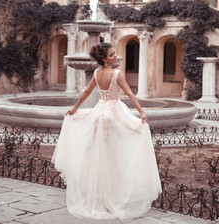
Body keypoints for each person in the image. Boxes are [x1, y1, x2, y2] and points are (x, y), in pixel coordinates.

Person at [51, 42, 162, 220]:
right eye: (112, 55)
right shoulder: (117, 73)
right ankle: (112, 196)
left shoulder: (96, 72)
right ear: (104, 59)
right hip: (114, 114)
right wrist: (141, 112)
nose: (115, 56)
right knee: (115, 154)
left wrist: (74, 109)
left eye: (114, 53)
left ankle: (99, 196)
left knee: (100, 155)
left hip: (99, 113)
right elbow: (130, 94)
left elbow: (87, 92)